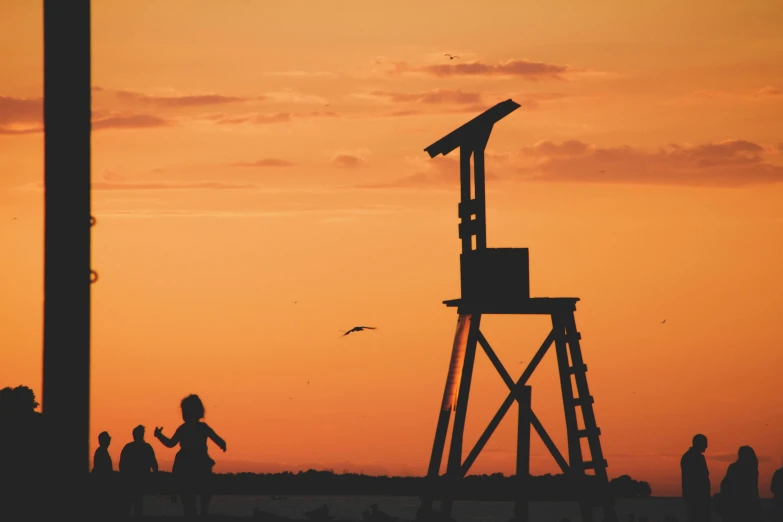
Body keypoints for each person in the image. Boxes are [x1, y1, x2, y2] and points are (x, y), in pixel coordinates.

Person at [154, 394, 227, 517]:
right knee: (193, 496)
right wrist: (159, 436)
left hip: (194, 462)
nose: (184, 415)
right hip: (192, 462)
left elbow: (171, 443)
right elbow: (171, 443)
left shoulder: (195, 428)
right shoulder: (192, 428)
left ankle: (198, 513)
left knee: (199, 495)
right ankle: (196, 513)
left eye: (185, 412)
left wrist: (221, 443)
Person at [119, 425, 158, 517]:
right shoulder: (146, 447)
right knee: (137, 505)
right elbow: (154, 465)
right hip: (138, 481)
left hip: (131, 481)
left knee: (129, 505)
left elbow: (122, 465)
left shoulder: (128, 447)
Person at [719, 445, 762, 522]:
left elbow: (725, 484)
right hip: (749, 504)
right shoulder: (753, 469)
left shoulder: (734, 467)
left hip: (734, 505)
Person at [681, 433, 711, 522]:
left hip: (694, 498)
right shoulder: (696, 457)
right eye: (705, 443)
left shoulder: (687, 457)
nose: (706, 446)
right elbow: (701, 476)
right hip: (698, 498)